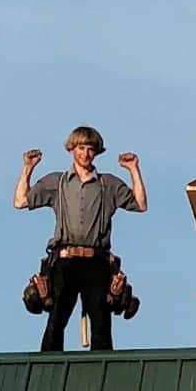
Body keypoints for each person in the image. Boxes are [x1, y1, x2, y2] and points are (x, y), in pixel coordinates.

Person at [13, 126, 147, 351]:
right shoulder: (58, 181)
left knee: (101, 318)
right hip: (64, 259)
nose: (85, 154)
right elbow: (20, 201)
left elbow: (140, 204)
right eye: (81, 148)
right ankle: (48, 367)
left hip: (96, 261)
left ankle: (102, 370)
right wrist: (27, 169)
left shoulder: (108, 184)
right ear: (72, 149)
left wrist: (134, 170)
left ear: (97, 152)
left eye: (90, 149)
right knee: (56, 317)